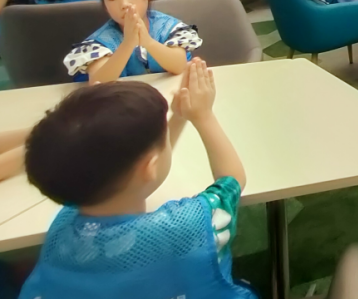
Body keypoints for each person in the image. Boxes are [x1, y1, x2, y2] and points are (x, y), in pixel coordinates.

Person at [20, 60, 254, 298]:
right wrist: (203, 116)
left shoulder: (63, 224)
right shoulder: (186, 227)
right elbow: (232, 181)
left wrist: (179, 117)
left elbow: (140, 176)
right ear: (149, 167)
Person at [63, 0, 201, 84]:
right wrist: (128, 43)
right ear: (104, 4)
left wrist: (148, 42)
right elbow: (98, 82)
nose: (124, 4)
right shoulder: (101, 41)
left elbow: (178, 65)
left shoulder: (168, 27)